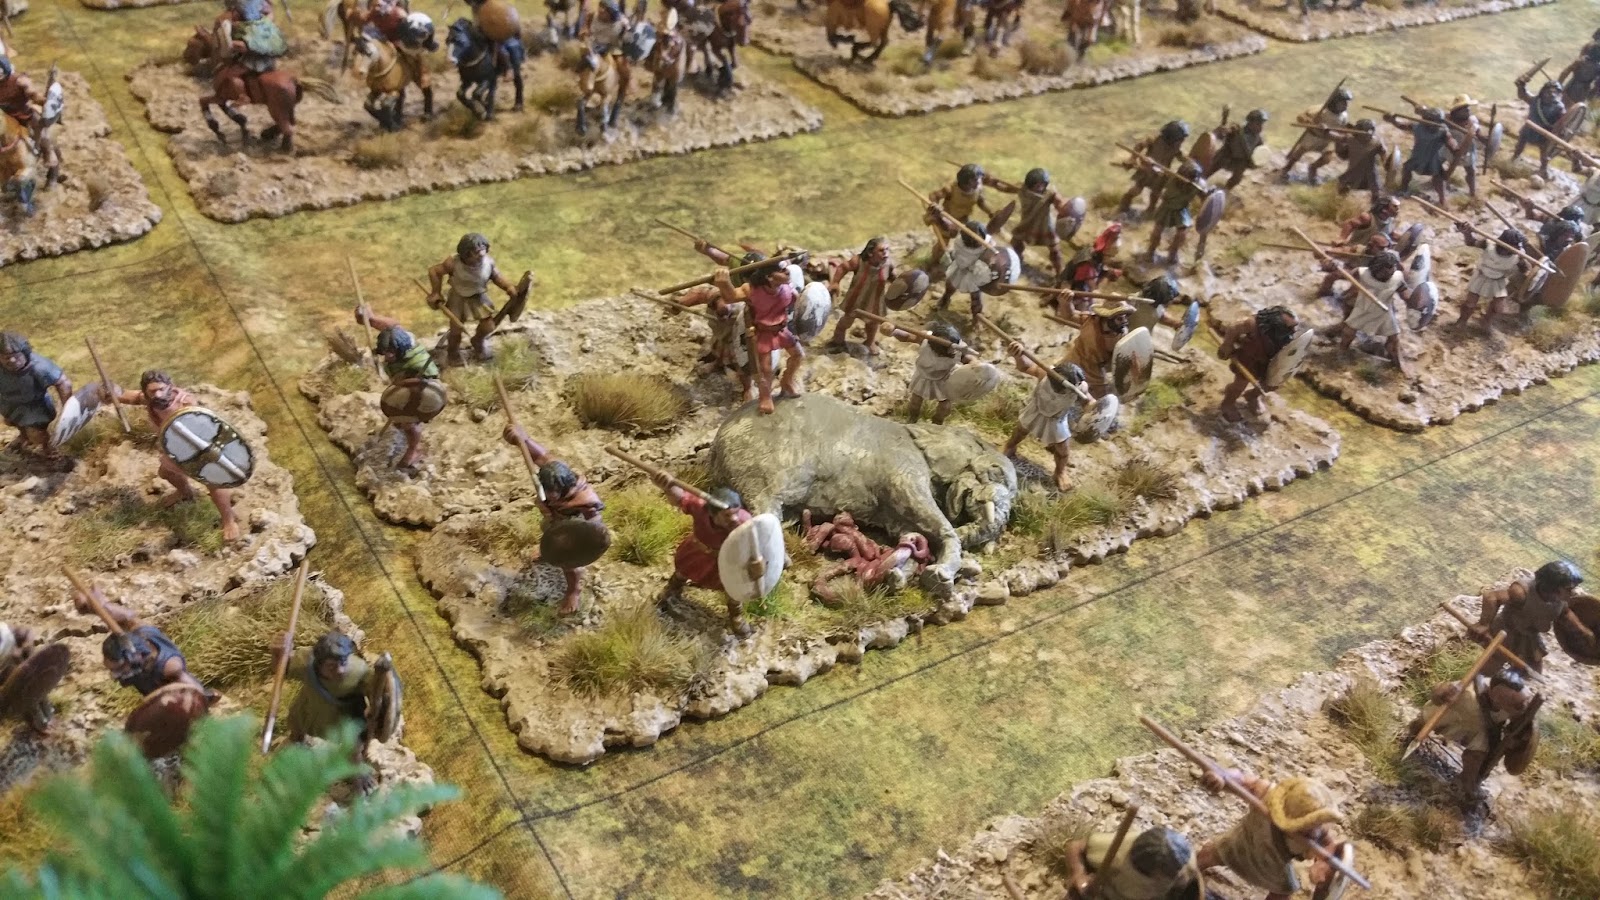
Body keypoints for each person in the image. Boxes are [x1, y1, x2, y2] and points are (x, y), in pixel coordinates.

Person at [109, 371, 241, 543]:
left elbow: (201, 429)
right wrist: (111, 391)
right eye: (152, 391)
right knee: (166, 472)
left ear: (170, 387)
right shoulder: (152, 400)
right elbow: (132, 397)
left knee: (213, 482)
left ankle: (228, 520)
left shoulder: (185, 403)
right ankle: (186, 493)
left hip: (198, 449)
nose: (157, 394)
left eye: (161, 389)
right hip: (175, 451)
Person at [502, 425, 606, 615]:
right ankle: (548, 551)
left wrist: (578, 546)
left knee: (569, 565)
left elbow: (595, 530)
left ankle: (573, 590)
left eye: (552, 493)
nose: (548, 496)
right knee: (550, 541)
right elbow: (540, 456)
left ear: (563, 487)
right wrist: (523, 439)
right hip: (554, 524)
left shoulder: (585, 501)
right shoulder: (553, 470)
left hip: (572, 535)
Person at [1197, 771, 1346, 900]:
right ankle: (1187, 875)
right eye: (1308, 824)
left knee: (1283, 891)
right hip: (1241, 844)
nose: (1313, 829)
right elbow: (1240, 779)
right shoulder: (1267, 796)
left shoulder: (1317, 834)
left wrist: (1324, 867)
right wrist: (1221, 778)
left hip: (1273, 868)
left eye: (1316, 823)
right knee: (1206, 856)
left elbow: (1329, 848)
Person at [1407, 667, 1539, 803]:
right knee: (1422, 724)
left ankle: (1467, 782)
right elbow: (1438, 694)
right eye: (1518, 705)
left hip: (1479, 729)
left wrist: (1516, 741)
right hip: (1452, 717)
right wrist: (1443, 692)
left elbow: (1515, 727)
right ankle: (1412, 733)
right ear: (1498, 698)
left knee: (1477, 755)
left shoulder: (1510, 708)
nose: (1523, 707)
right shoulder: (1467, 692)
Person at [652, 475, 755, 636]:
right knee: (682, 572)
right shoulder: (700, 507)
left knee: (732, 590)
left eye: (736, 513)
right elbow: (680, 498)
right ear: (713, 513)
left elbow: (759, 540)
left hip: (726, 560)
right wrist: (667, 485)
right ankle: (671, 591)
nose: (734, 518)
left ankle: (736, 617)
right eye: (727, 515)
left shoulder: (745, 521)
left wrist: (776, 557)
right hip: (697, 552)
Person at [75, 588, 213, 702]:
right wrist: (98, 608)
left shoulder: (169, 667)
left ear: (134, 658)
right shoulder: (135, 650)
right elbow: (126, 621)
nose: (115, 676)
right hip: (143, 648)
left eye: (119, 669)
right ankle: (100, 605)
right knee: (128, 621)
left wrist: (200, 700)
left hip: (172, 693)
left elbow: (197, 695)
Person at [354, 307, 443, 471]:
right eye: (386, 352)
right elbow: (392, 325)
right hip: (403, 387)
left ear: (400, 348)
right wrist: (371, 318)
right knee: (401, 419)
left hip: (417, 395)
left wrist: (406, 386)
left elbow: (429, 383)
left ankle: (414, 449)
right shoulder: (401, 338)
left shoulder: (417, 361)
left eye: (391, 352)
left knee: (409, 423)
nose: (388, 356)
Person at [712, 260, 804, 414]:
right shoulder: (752, 290)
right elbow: (731, 297)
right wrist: (724, 283)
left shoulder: (788, 288)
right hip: (764, 334)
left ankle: (787, 380)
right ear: (769, 277)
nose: (787, 272)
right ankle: (765, 397)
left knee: (798, 355)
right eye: (782, 270)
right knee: (765, 369)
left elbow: (795, 306)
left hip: (782, 330)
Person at [1470, 561, 1595, 674]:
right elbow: (1492, 597)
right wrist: (1484, 624)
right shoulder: (1521, 592)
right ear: (1553, 587)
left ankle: (1508, 684)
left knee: (1532, 671)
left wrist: (1583, 631)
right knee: (1492, 663)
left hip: (1529, 637)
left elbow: (1565, 614)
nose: (1572, 593)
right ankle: (1481, 681)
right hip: (1506, 631)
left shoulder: (1559, 601)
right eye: (1568, 589)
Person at [425, 233, 523, 366]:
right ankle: (453, 353)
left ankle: (478, 341)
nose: (481, 254)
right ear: (466, 252)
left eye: (483, 249)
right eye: (476, 251)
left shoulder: (488, 262)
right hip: (458, 298)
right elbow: (434, 271)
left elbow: (497, 277)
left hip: (478, 298)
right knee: (456, 329)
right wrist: (436, 292)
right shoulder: (453, 263)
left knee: (488, 326)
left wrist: (508, 287)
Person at [1003, 350, 1087, 492]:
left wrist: (1097, 412)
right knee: (1020, 431)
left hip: (1056, 419)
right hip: (1036, 410)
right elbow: (1025, 367)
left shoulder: (1081, 388)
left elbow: (1089, 403)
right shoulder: (1045, 374)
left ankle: (1060, 472)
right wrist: (1018, 354)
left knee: (1063, 450)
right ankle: (1010, 447)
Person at [1064, 825, 1202, 900]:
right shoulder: (1117, 852)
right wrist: (1078, 874)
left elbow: (1191, 884)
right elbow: (1075, 847)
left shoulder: (1187, 865)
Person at [882, 320, 977, 425]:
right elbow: (908, 337)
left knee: (945, 407)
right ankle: (912, 419)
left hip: (944, 378)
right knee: (915, 402)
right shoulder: (926, 339)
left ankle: (937, 422)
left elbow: (968, 359)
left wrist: (974, 363)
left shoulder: (958, 348)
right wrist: (893, 331)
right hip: (923, 376)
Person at [1217, 306, 1298, 423]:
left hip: (1268, 363)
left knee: (1271, 384)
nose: (1293, 331)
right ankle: (1228, 404)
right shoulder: (1253, 324)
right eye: (1289, 328)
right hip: (1249, 360)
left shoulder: (1286, 337)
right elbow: (1233, 328)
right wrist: (1227, 345)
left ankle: (1252, 396)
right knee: (1240, 385)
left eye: (1294, 327)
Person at [997, 168, 1082, 280]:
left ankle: (1060, 273)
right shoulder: (1022, 189)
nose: (1040, 187)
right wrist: (995, 184)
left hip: (1044, 225)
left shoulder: (1049, 194)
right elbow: (1007, 188)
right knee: (1016, 242)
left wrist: (1067, 210)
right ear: (1030, 184)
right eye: (1037, 185)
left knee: (1055, 250)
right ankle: (1018, 260)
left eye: (1042, 185)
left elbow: (1060, 205)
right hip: (1028, 222)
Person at [1336, 249, 1410, 375]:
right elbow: (1344, 274)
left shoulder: (1397, 278)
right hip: (1363, 308)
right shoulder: (1362, 273)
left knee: (1394, 338)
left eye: (1393, 268)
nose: (1392, 271)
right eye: (1388, 269)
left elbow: (1406, 295)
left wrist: (1416, 303)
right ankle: (1342, 352)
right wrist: (1334, 265)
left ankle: (1397, 361)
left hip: (1384, 311)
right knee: (1348, 332)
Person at [0, 332, 71, 459]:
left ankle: (47, 448)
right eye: (6, 357)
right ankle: (24, 437)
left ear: (25, 353)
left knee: (37, 432)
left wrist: (68, 409)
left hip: (34, 406)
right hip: (9, 405)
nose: (12, 360)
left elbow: (63, 383)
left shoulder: (40, 367)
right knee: (15, 422)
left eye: (16, 356)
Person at [826, 236, 896, 356]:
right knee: (845, 322)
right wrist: (835, 282)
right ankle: (837, 341)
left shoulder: (888, 265)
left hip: (875, 300)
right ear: (870, 252)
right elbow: (843, 267)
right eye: (881, 250)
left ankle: (870, 342)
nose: (885, 253)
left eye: (887, 249)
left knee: (873, 324)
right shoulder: (858, 261)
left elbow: (895, 280)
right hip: (856, 299)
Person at [1452, 226, 1528, 328]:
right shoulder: (1488, 244)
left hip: (1498, 279)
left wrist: (1524, 261)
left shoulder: (1518, 256)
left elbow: (1525, 270)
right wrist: (1467, 233)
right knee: (1470, 303)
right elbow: (1471, 242)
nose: (1516, 248)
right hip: (1482, 275)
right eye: (1514, 245)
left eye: (1517, 246)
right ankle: (1462, 321)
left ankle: (1485, 323)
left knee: (1498, 307)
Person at [1060, 299, 1134, 399]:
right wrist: (1066, 303)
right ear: (1109, 318)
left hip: (1094, 370)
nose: (1124, 321)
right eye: (1120, 319)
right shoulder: (1090, 320)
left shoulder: (1122, 335)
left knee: (1099, 397)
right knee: (1059, 382)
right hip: (1074, 359)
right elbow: (1070, 315)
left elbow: (1121, 359)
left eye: (1125, 317)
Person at [1280, 87, 1352, 185]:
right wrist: (1312, 122)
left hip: (1327, 139)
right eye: (1343, 102)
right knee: (1299, 153)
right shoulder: (1319, 110)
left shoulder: (1344, 115)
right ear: (1335, 101)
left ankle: (1313, 168)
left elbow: (1342, 128)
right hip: (1313, 136)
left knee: (1327, 158)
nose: (1346, 105)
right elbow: (1300, 117)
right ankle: (1287, 168)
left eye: (1347, 103)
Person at [934, 217, 999, 325]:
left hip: (975, 272)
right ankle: (945, 299)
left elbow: (990, 259)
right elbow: (958, 255)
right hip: (961, 267)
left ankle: (976, 318)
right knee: (950, 285)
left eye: (976, 238)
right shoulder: (960, 242)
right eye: (971, 238)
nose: (974, 240)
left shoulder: (989, 244)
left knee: (976, 297)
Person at [1119, 120, 1191, 216]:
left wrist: (1190, 164)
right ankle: (1123, 206)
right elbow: (1139, 146)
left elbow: (1183, 158)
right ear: (1172, 137)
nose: (1182, 141)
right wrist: (1132, 159)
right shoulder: (1154, 139)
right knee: (1137, 189)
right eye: (1181, 139)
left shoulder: (1176, 148)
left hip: (1161, 174)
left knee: (1156, 194)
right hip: (1146, 170)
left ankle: (1150, 211)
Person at [1145, 160, 1210, 265]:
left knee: (1181, 234)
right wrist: (1151, 166)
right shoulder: (1170, 177)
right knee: (1157, 230)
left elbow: (1206, 199)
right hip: (1167, 207)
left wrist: (1207, 195)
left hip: (1181, 209)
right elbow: (1156, 176)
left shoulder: (1198, 185)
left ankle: (1173, 254)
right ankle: (1151, 251)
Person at [1385, 106, 1452, 206]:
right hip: (1418, 156)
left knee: (1438, 178)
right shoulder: (1418, 127)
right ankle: (1403, 189)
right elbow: (1402, 125)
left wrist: (1455, 147)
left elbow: (1450, 142)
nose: (1433, 125)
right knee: (1407, 168)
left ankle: (1442, 200)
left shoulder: (1443, 131)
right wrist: (1393, 120)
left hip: (1433, 159)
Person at [926, 163, 996, 257]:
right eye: (975, 180)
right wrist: (935, 206)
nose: (979, 182)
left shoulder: (977, 189)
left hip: (964, 219)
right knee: (943, 244)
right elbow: (933, 196)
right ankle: (934, 260)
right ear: (966, 181)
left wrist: (990, 212)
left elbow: (981, 202)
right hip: (947, 219)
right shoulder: (951, 189)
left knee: (974, 238)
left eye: (979, 179)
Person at [0, 621, 56, 733]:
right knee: (26, 702)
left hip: (27, 668)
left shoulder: (4, 631)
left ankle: (49, 714)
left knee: (40, 691)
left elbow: (27, 632)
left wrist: (26, 647)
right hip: (9, 679)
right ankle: (38, 724)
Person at [1061, 224, 1123, 315]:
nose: (1112, 259)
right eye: (1110, 256)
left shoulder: (1098, 258)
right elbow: (1092, 287)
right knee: (1085, 303)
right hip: (1074, 285)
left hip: (1084, 283)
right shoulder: (1087, 262)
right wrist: (1099, 297)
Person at [1510, 79, 1566, 179]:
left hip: (1543, 134)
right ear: (1543, 91)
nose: (1552, 94)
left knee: (1544, 152)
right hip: (1528, 129)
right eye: (1549, 91)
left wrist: (1562, 130)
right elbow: (1523, 95)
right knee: (1520, 144)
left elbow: (1563, 122)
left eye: (1555, 92)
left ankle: (1543, 169)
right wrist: (1521, 86)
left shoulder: (1559, 108)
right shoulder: (1536, 100)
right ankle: (1515, 157)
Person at [1203, 109, 1268, 191]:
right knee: (1211, 168)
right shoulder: (1237, 129)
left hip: (1239, 161)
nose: (1260, 127)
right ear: (1250, 122)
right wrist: (1224, 126)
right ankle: (1200, 181)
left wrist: (1256, 162)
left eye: (1261, 124)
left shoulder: (1258, 139)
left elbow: (1259, 153)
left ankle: (1225, 190)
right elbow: (1223, 133)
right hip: (1227, 155)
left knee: (1237, 178)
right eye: (1258, 123)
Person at [1334, 119, 1386, 199]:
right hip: (1353, 170)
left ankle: (1376, 203)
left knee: (1377, 193)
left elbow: (1384, 157)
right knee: (1342, 189)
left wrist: (1385, 160)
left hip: (1370, 173)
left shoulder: (1376, 142)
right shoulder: (1351, 140)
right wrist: (1325, 130)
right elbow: (1335, 137)